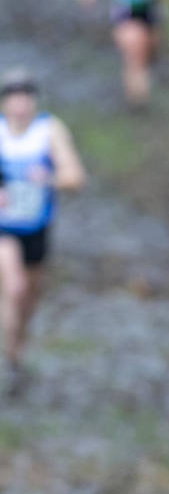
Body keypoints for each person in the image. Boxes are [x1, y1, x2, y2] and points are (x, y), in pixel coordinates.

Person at [0, 69, 87, 395]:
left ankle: (17, 344)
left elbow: (76, 177)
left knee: (29, 299)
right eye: (14, 98)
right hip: (3, 229)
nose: (20, 105)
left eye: (26, 98)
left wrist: (48, 178)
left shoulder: (48, 130)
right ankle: (10, 354)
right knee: (15, 287)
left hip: (36, 230)